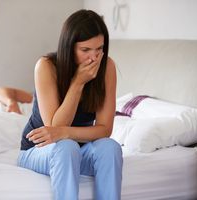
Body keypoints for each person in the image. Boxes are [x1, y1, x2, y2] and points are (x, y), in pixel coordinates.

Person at [18, 9, 122, 200]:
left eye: (99, 49)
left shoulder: (107, 67)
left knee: (110, 147)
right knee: (67, 147)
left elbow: (104, 130)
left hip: (76, 149)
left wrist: (66, 133)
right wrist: (78, 83)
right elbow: (54, 128)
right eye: (85, 50)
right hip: (39, 150)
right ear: (69, 46)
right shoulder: (47, 66)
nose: (94, 58)